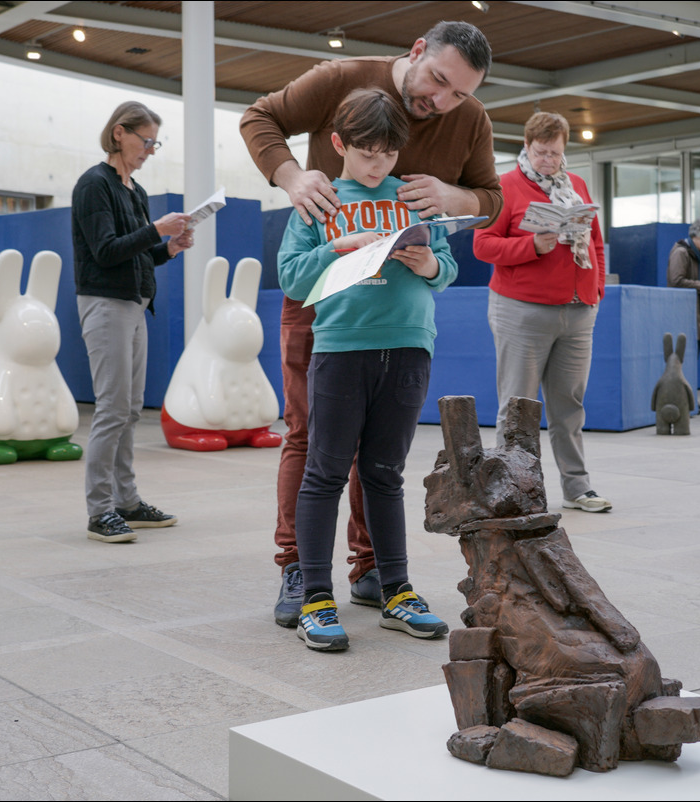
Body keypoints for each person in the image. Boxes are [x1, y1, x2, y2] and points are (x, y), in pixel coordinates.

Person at [240, 21, 502, 627]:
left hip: (402, 321)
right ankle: (300, 573)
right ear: (416, 51)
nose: (442, 101)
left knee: (381, 462)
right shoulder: (341, 78)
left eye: (459, 94)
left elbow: (491, 198)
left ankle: (374, 572)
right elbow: (259, 117)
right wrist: (291, 177)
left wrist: (452, 198)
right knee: (310, 441)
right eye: (437, 80)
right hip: (329, 310)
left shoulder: (471, 119)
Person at [277, 88, 457, 651]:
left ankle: (396, 589)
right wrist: (339, 248)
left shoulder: (416, 198)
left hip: (408, 345)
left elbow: (446, 266)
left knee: (385, 473)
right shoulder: (321, 200)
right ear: (339, 144)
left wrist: (428, 261)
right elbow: (291, 278)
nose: (378, 165)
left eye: (388, 154)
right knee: (325, 472)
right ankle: (314, 597)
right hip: (341, 347)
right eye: (366, 153)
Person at [472, 111, 610, 513]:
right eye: (540, 152)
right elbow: (483, 246)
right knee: (517, 405)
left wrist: (596, 288)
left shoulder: (578, 186)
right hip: (522, 310)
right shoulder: (504, 186)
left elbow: (596, 243)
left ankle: (577, 486)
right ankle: (512, 490)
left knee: (569, 403)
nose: (548, 160)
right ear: (527, 146)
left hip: (578, 309)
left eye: (555, 153)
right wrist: (531, 246)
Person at [73, 101, 193, 543]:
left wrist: (170, 248)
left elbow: (137, 253)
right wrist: (156, 230)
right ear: (119, 133)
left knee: (128, 410)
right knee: (111, 409)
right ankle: (99, 510)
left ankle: (127, 501)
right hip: (105, 304)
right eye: (147, 141)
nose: (150, 150)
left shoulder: (133, 191)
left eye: (154, 143)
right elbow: (105, 251)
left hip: (135, 304)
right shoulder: (94, 185)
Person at [667, 217, 700, 412]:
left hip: (699, 313)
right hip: (685, 314)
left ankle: (691, 402)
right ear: (697, 236)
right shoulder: (682, 253)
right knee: (684, 360)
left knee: (692, 360)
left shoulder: (698, 255)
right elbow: (676, 281)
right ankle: (683, 403)